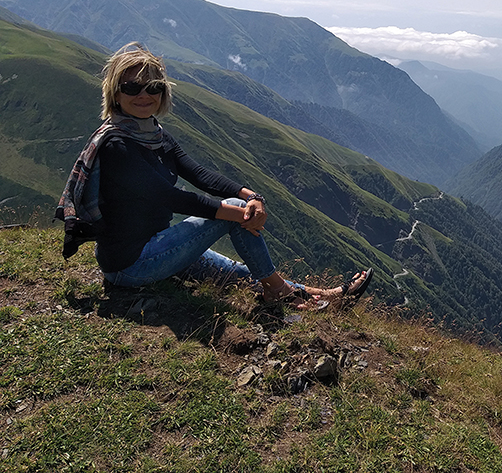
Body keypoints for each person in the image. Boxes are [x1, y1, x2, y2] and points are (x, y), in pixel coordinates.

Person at [56, 41, 372, 309]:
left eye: (153, 87)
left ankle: (326, 297)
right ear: (116, 92)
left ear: (162, 92)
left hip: (159, 247)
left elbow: (198, 173)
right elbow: (171, 197)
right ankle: (278, 291)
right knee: (231, 216)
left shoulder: (154, 134)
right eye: (131, 87)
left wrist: (252, 197)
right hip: (132, 264)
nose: (143, 95)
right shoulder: (117, 145)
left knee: (238, 270)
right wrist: (237, 211)